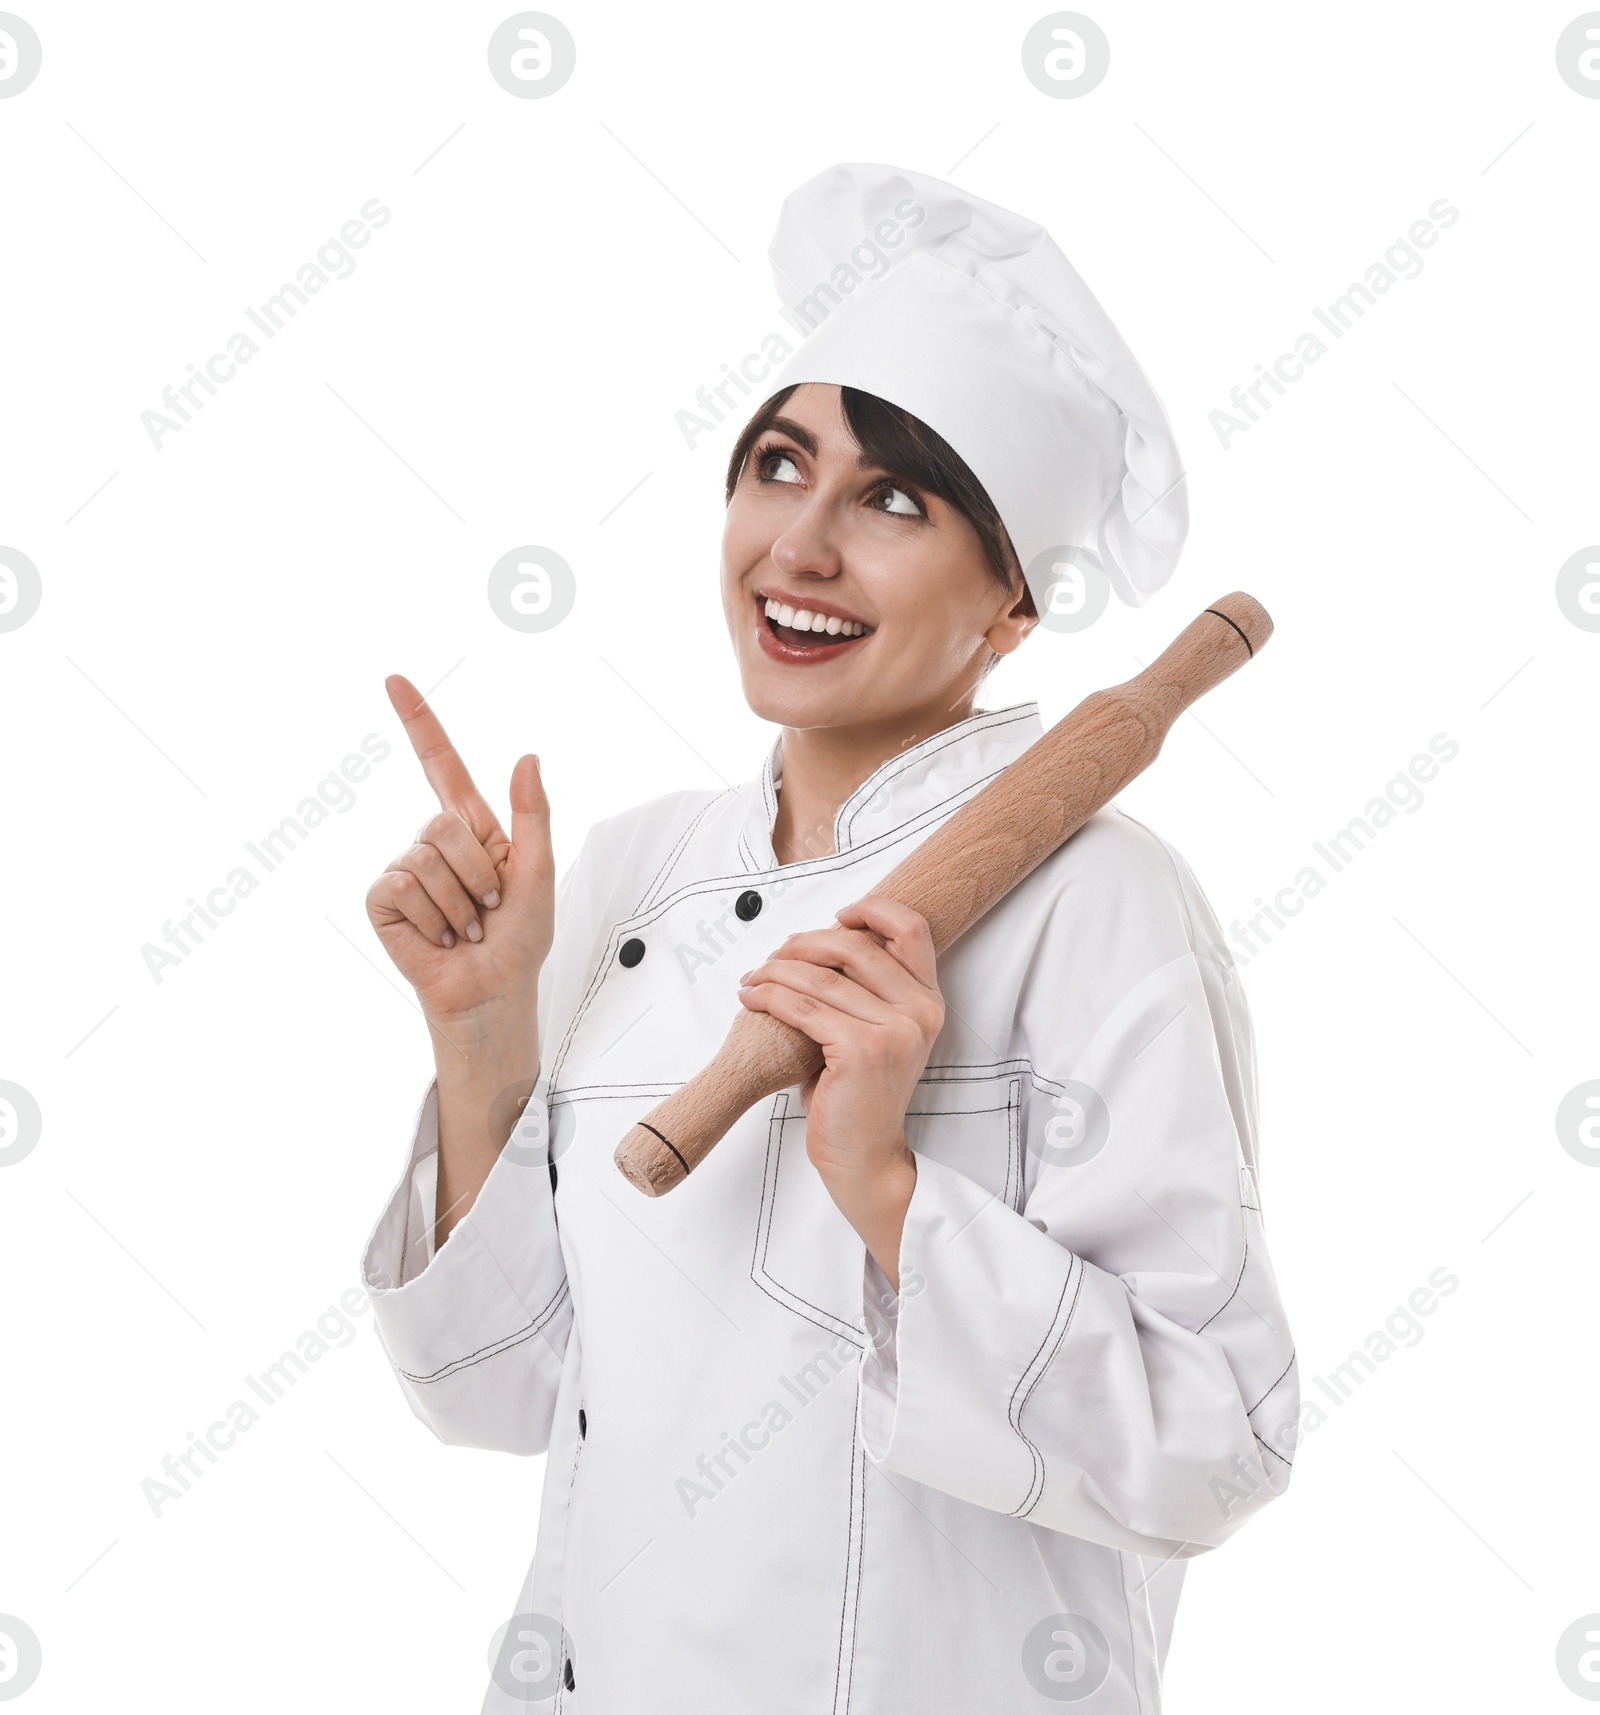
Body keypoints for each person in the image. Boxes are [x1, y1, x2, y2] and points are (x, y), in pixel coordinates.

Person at [359, 163, 1298, 1713]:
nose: (798, 545)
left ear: (1011, 610)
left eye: (894, 500)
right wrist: (481, 1036)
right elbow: (492, 1394)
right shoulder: (629, 873)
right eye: (778, 465)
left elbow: (1211, 1451)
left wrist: (887, 1188)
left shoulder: (1099, 902)